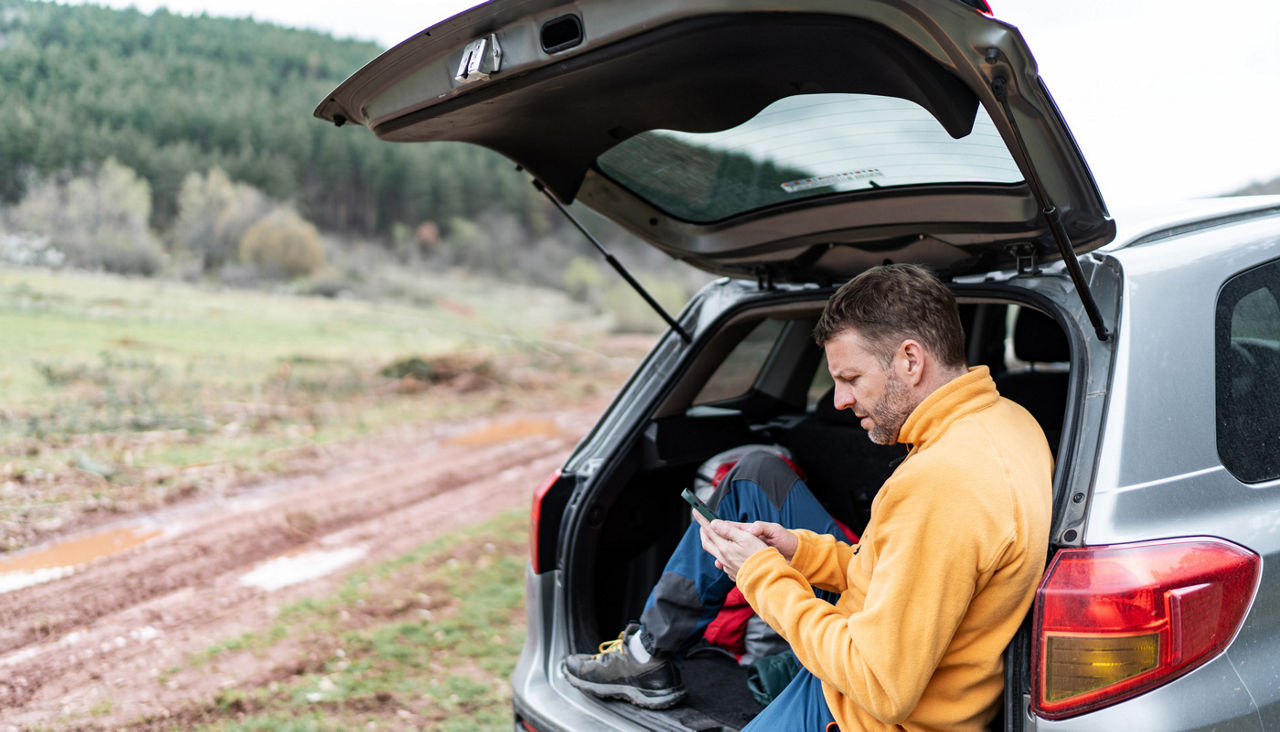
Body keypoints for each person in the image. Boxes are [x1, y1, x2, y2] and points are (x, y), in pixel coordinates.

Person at [563, 264, 1052, 731]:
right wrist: (799, 553)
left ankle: (647, 655)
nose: (838, 401)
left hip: (864, 715)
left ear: (910, 359)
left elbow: (881, 686)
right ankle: (647, 654)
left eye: (851, 379)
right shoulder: (1011, 421)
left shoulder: (942, 482)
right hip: (867, 658)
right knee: (753, 477)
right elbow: (893, 571)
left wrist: (759, 574)